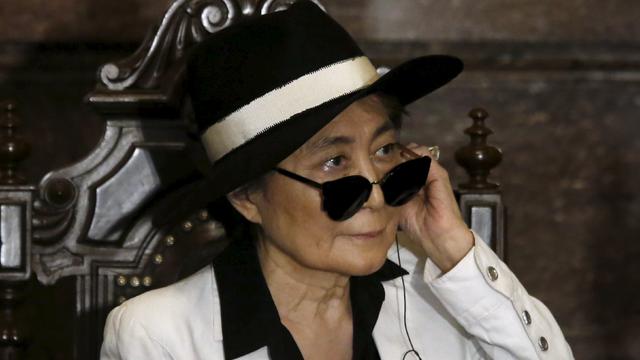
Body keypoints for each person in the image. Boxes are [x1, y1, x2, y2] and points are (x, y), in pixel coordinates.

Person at [100, 1, 574, 359]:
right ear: (247, 197)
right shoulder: (158, 334)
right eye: (334, 163)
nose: (374, 193)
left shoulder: (447, 299)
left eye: (385, 151)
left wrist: (454, 248)